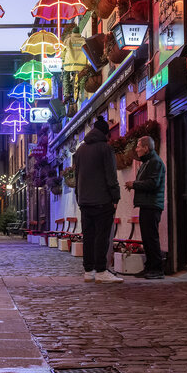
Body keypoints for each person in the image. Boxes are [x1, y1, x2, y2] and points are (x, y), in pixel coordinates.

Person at [73, 117, 123, 283]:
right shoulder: (105, 148)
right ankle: (101, 270)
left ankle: (89, 271)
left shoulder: (80, 150)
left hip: (85, 201)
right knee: (102, 236)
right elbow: (111, 175)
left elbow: (77, 176)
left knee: (88, 236)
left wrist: (79, 197)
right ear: (106, 133)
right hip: (102, 200)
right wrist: (115, 197)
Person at [126, 136, 166, 279]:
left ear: (146, 148)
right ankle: (149, 267)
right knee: (147, 239)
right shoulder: (147, 162)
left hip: (152, 205)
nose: (136, 149)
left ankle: (157, 269)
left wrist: (134, 184)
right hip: (146, 204)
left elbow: (153, 183)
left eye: (138, 146)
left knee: (151, 238)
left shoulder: (155, 162)